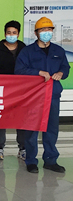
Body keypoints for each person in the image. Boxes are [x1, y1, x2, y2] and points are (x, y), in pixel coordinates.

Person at [15, 17, 70, 174]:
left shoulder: (58, 51)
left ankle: (51, 160)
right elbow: (19, 71)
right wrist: (37, 72)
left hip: (52, 95)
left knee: (51, 129)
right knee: (32, 129)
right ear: (36, 33)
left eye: (49, 30)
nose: (47, 32)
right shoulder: (27, 52)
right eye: (43, 30)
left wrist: (61, 73)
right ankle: (31, 161)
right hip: (34, 97)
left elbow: (66, 68)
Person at [0, 20, 27, 161]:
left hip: (21, 91)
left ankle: (22, 148)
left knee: (21, 119)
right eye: (9, 32)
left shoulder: (24, 50)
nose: (11, 35)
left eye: (14, 32)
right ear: (4, 34)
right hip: (2, 91)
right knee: (1, 119)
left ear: (18, 34)